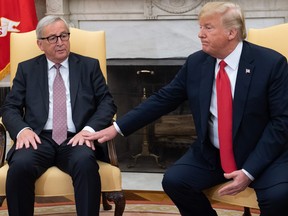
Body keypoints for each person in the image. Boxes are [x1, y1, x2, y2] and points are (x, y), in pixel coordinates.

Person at [83, 2, 288, 216]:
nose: (200, 34)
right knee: (175, 181)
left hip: (262, 156)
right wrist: (117, 128)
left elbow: (281, 123)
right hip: (213, 155)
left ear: (231, 32)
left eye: (208, 27)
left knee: (278, 198)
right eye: (200, 27)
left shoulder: (271, 64)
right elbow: (163, 99)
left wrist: (249, 171)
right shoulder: (197, 63)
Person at [0, 15, 116, 216]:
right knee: (20, 166)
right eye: (53, 38)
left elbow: (107, 103)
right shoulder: (27, 69)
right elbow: (10, 107)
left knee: (85, 163)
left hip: (76, 138)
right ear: (40, 44)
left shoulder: (89, 66)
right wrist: (22, 130)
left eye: (64, 35)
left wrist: (88, 130)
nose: (60, 42)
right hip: (38, 138)